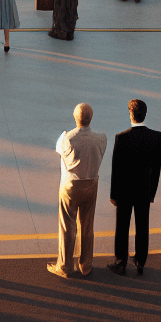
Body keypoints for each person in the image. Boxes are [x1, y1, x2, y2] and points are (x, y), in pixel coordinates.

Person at [48, 103, 106, 279]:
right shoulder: (101, 138)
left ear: (75, 118)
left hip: (71, 186)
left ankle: (65, 266)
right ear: (91, 118)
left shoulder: (67, 138)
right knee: (87, 225)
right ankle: (86, 265)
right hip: (91, 185)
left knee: (67, 225)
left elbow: (60, 151)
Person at [106, 99, 161, 276]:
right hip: (144, 190)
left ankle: (121, 261)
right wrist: (152, 192)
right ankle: (140, 261)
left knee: (122, 226)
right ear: (145, 114)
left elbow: (116, 170)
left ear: (131, 114)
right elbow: (157, 168)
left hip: (124, 190)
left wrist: (114, 195)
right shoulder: (156, 137)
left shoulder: (121, 138)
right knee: (142, 225)